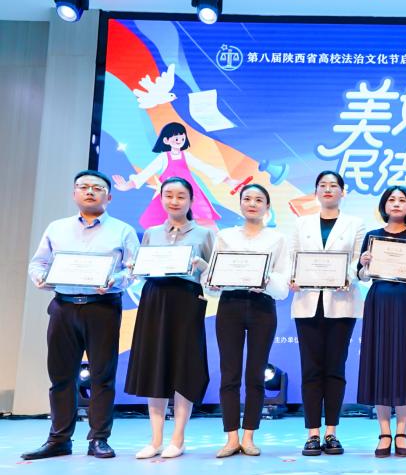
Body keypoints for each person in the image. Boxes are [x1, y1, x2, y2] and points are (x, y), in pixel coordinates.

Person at [22, 170, 139, 460]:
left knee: (102, 376)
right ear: (74, 193)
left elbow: (135, 270)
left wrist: (115, 280)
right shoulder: (57, 228)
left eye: (97, 188)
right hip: (63, 307)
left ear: (109, 197)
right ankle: (59, 439)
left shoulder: (123, 230)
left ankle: (98, 438)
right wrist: (40, 278)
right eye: (83, 187)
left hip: (103, 307)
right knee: (61, 376)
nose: (89, 191)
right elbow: (38, 263)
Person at [124, 177, 215, 459]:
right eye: (169, 195)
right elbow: (143, 272)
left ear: (191, 201)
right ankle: (155, 440)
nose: (174, 201)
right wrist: (134, 268)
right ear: (161, 198)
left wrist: (203, 266)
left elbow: (215, 277)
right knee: (155, 365)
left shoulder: (204, 234)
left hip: (187, 301)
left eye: (181, 196)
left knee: (183, 366)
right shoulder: (151, 233)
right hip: (154, 300)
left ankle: (178, 438)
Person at [209, 183, 289, 457]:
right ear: (240, 203)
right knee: (229, 373)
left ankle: (249, 436)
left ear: (267, 206)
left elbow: (282, 286)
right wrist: (214, 281)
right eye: (247, 199)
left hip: (262, 306)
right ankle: (231, 437)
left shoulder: (277, 239)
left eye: (258, 200)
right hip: (230, 305)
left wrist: (264, 280)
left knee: (255, 374)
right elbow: (211, 278)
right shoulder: (225, 236)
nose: (252, 204)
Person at [289, 172, 364, 457]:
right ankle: (312, 433)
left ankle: (331, 432)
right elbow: (294, 258)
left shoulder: (355, 224)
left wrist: (346, 277)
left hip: (342, 303)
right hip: (307, 303)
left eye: (334, 185)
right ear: (316, 192)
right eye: (323, 185)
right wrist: (294, 277)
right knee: (310, 369)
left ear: (343, 192)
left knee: (335, 368)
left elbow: (357, 262)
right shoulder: (301, 223)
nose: (328, 189)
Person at [357, 186, 406, 458]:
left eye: (402, 200)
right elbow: (362, 276)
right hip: (379, 303)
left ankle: (402, 431)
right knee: (380, 363)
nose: (397, 203)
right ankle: (383, 432)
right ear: (384, 205)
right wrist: (365, 263)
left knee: (404, 364)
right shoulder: (373, 237)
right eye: (392, 199)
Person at [112, 121, 237, 228]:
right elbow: (146, 173)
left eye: (182, 139)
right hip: (170, 195)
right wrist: (127, 185)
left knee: (203, 219)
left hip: (191, 193)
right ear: (166, 140)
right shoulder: (163, 157)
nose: (179, 141)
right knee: (165, 223)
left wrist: (228, 180)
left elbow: (204, 167)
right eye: (176, 139)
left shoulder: (186, 156)